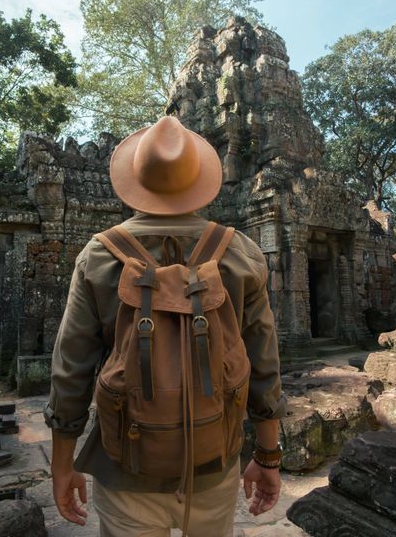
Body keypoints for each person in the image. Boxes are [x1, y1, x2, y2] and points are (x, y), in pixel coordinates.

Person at [45, 115, 287, 536]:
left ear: (136, 180)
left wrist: (62, 465)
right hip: (213, 466)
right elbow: (263, 363)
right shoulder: (240, 253)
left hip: (125, 471)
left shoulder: (98, 257)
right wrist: (268, 455)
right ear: (199, 181)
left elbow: (71, 369)